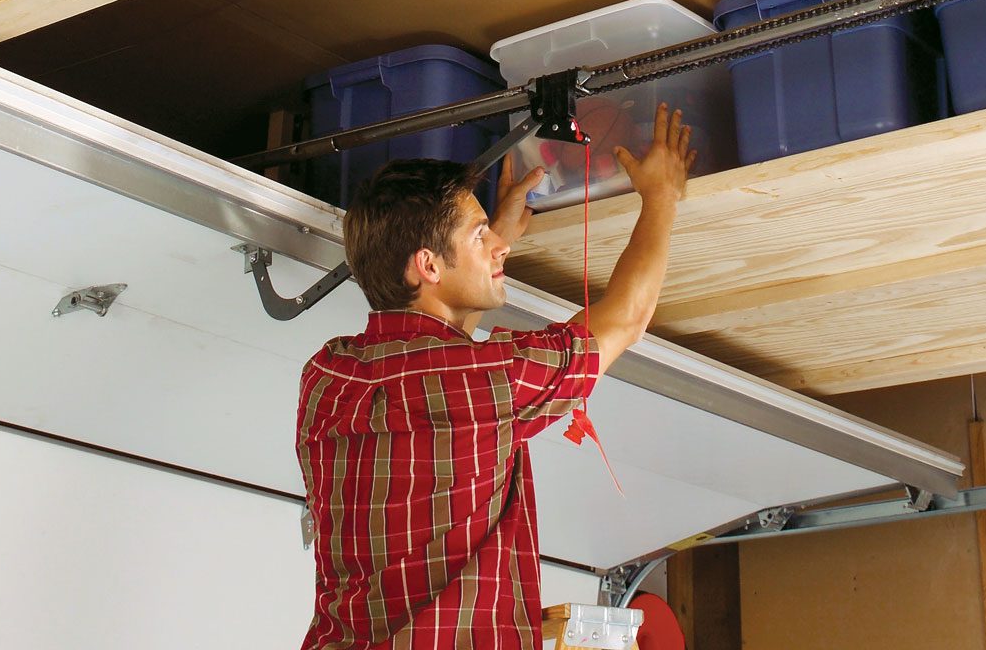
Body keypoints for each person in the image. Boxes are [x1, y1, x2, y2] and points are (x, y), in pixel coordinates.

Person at [296, 104, 696, 649]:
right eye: (479, 234)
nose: (498, 245)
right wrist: (663, 195)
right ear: (429, 266)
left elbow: (443, 369)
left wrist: (491, 243)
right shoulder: (478, 382)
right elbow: (624, 320)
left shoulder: (327, 377)